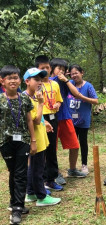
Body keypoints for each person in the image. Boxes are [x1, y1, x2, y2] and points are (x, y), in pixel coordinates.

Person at [0, 65, 36, 225]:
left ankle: (17, 208)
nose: (13, 81)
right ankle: (15, 201)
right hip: (5, 142)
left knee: (20, 173)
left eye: (15, 78)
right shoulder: (1, 100)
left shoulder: (25, 98)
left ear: (20, 80)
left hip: (23, 141)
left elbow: (29, 120)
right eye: (9, 78)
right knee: (13, 171)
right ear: (2, 81)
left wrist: (33, 141)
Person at [23, 68, 61, 206]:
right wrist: (40, 103)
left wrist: (47, 123)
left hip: (40, 136)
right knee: (38, 168)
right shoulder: (27, 98)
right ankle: (41, 197)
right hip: (35, 139)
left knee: (33, 166)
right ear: (27, 81)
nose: (39, 82)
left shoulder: (34, 95)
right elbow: (36, 120)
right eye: (36, 80)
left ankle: (31, 192)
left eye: (40, 80)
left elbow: (40, 120)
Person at [49, 58, 87, 179]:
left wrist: (66, 80)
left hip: (65, 116)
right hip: (52, 118)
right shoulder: (48, 81)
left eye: (64, 70)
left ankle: (72, 169)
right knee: (52, 148)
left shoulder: (65, 82)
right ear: (52, 69)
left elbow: (76, 94)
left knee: (74, 144)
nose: (61, 71)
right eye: (59, 68)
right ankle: (55, 173)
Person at [35, 55, 64, 190]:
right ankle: (41, 180)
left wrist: (58, 104)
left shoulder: (55, 84)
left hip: (53, 116)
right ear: (37, 69)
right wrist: (43, 121)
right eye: (42, 68)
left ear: (50, 68)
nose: (45, 70)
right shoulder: (37, 85)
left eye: (47, 67)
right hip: (42, 117)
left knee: (52, 148)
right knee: (42, 150)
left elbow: (59, 99)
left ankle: (51, 179)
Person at [68, 64, 98, 174]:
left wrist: (82, 97)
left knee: (83, 142)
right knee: (73, 143)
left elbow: (95, 101)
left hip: (83, 120)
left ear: (82, 72)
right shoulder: (69, 84)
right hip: (71, 120)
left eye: (76, 73)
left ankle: (84, 164)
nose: (74, 75)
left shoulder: (88, 86)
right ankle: (72, 166)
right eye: (72, 74)